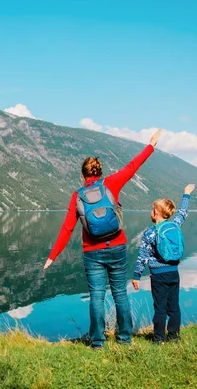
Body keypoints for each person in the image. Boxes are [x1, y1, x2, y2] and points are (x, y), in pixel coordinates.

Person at [43, 129, 162, 348]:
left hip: (92, 252)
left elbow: (67, 228)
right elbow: (133, 166)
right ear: (99, 172)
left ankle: (97, 342)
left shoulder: (77, 195)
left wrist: (52, 256)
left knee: (96, 297)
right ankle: (124, 339)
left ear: (83, 175)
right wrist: (151, 145)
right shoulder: (111, 184)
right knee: (120, 294)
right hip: (117, 247)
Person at [131, 183, 196, 343]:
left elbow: (143, 257)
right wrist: (186, 194)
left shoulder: (150, 233)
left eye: (153, 209)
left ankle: (158, 338)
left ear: (156, 212)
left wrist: (136, 276)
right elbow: (183, 213)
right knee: (174, 307)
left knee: (160, 308)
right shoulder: (174, 225)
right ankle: (174, 337)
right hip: (174, 272)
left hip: (158, 276)